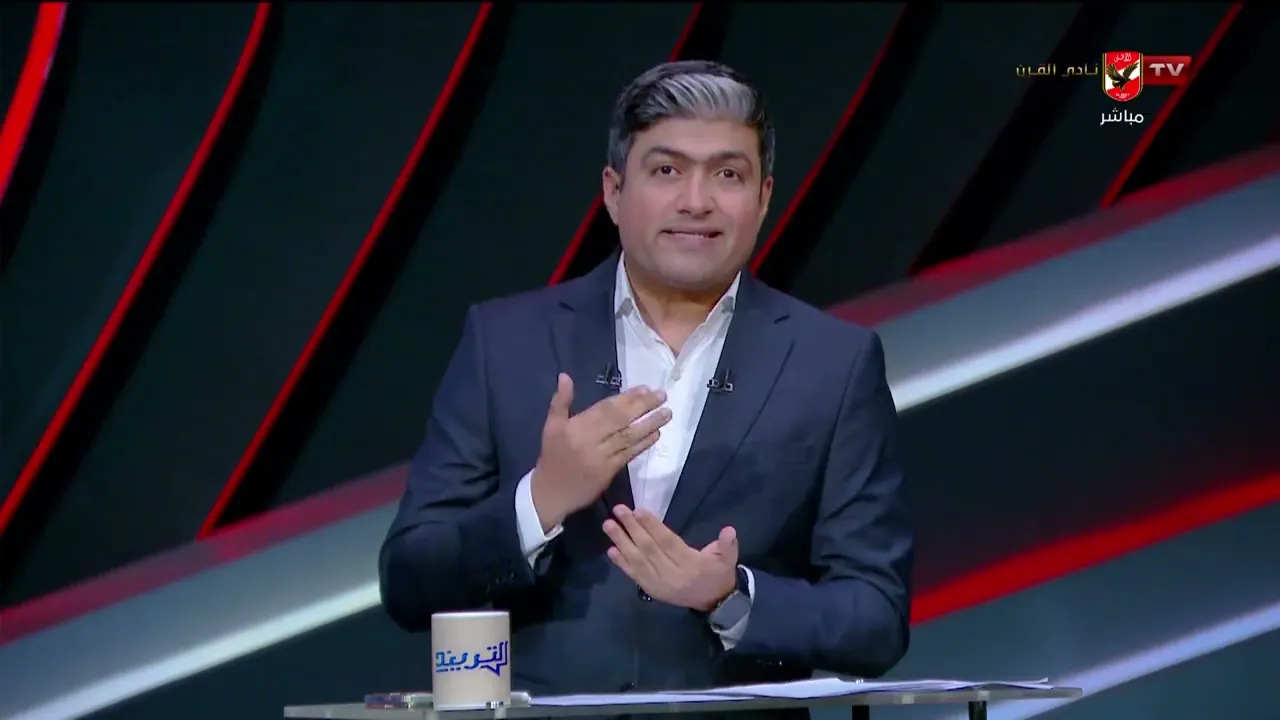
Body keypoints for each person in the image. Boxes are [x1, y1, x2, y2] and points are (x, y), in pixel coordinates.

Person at [379, 60, 913, 711]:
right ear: (613, 191)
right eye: (666, 171)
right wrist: (539, 501)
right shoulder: (505, 344)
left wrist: (730, 597)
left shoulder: (834, 363)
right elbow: (409, 581)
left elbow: (876, 617)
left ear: (764, 197)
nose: (697, 200)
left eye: (728, 174)